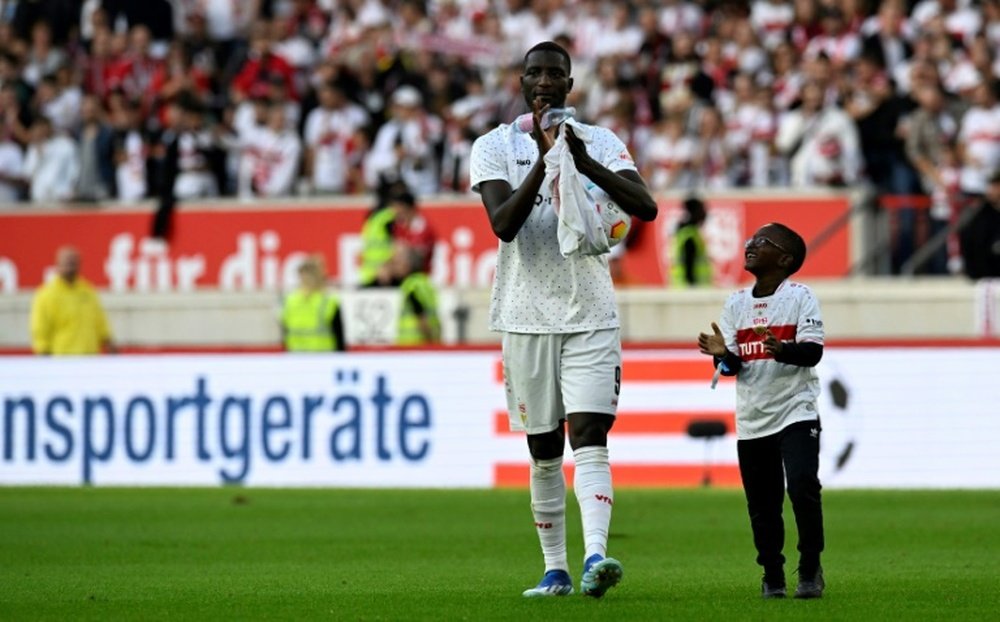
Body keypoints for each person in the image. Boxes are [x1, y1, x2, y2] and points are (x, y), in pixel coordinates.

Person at [470, 41, 658, 599]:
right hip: (525, 316)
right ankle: (555, 570)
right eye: (535, 73)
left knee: (590, 433)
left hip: (591, 312)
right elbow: (504, 223)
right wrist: (545, 161)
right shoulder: (494, 146)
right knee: (544, 446)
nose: (545, 81)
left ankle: (597, 557)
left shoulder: (601, 140)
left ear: (570, 85)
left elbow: (645, 208)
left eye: (555, 73)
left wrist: (580, 158)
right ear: (522, 82)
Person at [696, 222, 826, 600]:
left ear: (785, 259)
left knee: (802, 487)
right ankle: (772, 574)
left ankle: (810, 567)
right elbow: (734, 367)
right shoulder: (736, 302)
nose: (750, 244)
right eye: (751, 240)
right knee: (762, 503)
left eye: (762, 242)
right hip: (753, 418)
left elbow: (813, 352)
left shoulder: (801, 296)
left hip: (796, 410)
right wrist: (722, 355)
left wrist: (781, 349)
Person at [30, 245, 115, 355]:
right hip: (62, 359)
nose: (71, 266)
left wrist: (109, 342)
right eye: (67, 262)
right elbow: (40, 329)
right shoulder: (46, 295)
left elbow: (100, 322)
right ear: (58, 265)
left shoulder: (87, 291)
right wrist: (43, 352)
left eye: (74, 262)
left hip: (89, 358)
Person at [281, 255, 346, 352]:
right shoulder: (290, 300)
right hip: (305, 356)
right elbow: (285, 330)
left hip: (317, 356)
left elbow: (339, 335)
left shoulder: (328, 301)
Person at [389, 244, 441, 346]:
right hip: (428, 344)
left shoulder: (411, 286)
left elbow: (421, 316)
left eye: (398, 263)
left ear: (406, 265)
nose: (395, 267)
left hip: (414, 346)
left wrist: (429, 342)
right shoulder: (425, 283)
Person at [671, 195, 713, 287]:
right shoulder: (690, 236)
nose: (704, 213)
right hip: (690, 291)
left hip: (683, 289)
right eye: (702, 209)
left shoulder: (685, 232)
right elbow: (688, 267)